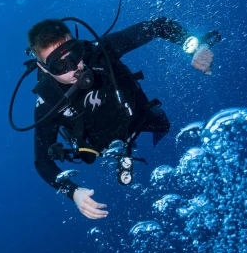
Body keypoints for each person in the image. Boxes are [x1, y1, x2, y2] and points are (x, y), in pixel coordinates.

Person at [27, 16, 217, 220]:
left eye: (75, 54)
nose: (74, 68)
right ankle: (123, 155)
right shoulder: (48, 103)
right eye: (59, 66)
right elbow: (42, 161)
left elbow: (156, 25)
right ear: (44, 68)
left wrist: (194, 46)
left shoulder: (100, 52)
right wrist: (73, 192)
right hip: (104, 147)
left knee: (164, 125)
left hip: (140, 116)